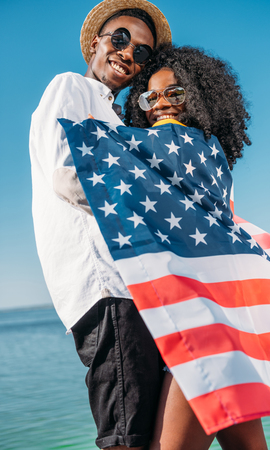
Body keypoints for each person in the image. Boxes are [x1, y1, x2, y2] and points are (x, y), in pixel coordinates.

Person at [29, 1, 172, 449]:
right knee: (126, 437)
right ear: (96, 43)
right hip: (107, 288)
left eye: (143, 52)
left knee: (146, 431)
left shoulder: (115, 117)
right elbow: (67, 175)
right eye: (120, 38)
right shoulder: (72, 86)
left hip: (132, 289)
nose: (129, 53)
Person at [123, 44, 270, 450]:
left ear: (199, 96)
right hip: (223, 321)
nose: (161, 104)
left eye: (175, 92)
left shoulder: (181, 146)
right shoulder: (213, 154)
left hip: (204, 326)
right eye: (149, 96)